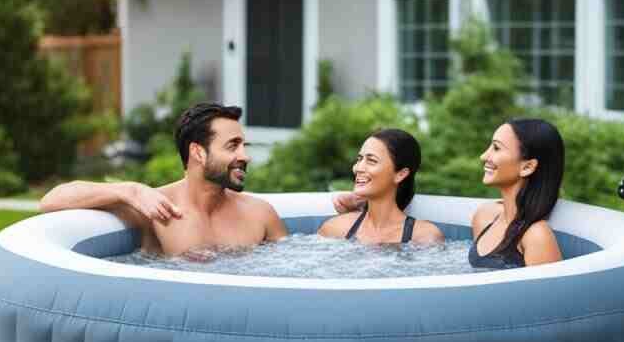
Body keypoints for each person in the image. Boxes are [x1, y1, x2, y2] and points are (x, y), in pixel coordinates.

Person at [40, 103, 287, 255]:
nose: (245, 156)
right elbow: (51, 201)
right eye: (233, 146)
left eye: (244, 145)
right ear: (198, 152)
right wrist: (129, 190)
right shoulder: (156, 209)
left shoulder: (260, 214)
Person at [319, 129, 443, 244]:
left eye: (371, 161)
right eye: (359, 159)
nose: (358, 168)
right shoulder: (334, 229)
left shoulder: (424, 237)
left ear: (400, 174)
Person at [469, 118, 564, 269]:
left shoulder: (537, 236)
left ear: (527, 167)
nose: (484, 156)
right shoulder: (485, 216)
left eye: (496, 148)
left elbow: (551, 293)